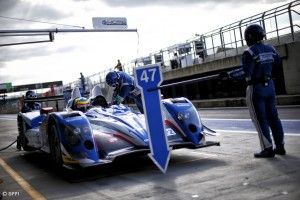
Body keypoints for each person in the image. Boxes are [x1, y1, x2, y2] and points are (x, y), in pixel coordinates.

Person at [227, 24, 285, 158]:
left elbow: (246, 72)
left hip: (256, 89)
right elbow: (277, 63)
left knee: (260, 119)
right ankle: (280, 146)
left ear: (248, 37)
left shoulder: (250, 52)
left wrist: (230, 74)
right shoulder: (271, 49)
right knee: (274, 118)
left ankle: (267, 148)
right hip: (270, 86)